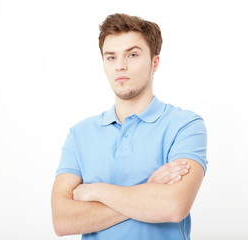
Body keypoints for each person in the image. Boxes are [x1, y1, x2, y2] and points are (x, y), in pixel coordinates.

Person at [51, 13, 207, 239]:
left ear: (155, 62)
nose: (120, 66)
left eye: (132, 55)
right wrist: (148, 192)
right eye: (111, 57)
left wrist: (95, 191)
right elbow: (62, 221)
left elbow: (173, 207)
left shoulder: (185, 125)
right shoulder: (79, 134)